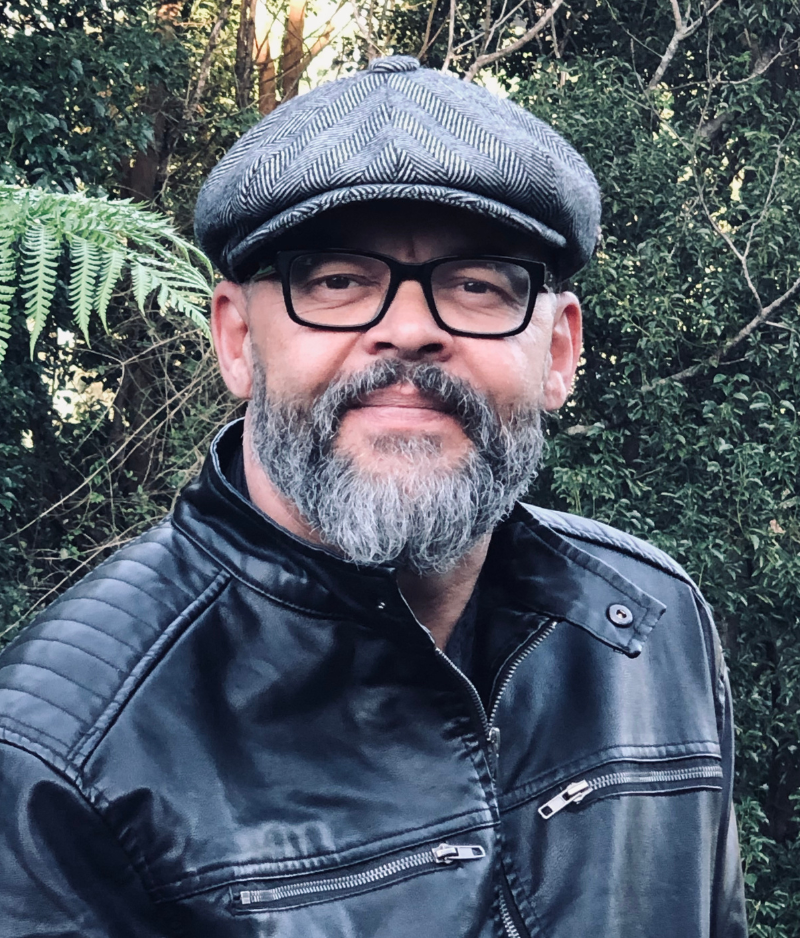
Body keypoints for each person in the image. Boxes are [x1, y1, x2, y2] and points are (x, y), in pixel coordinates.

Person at [0, 54, 746, 937]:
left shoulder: (647, 629)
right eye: (337, 281)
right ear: (237, 341)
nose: (409, 329)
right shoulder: (58, 757)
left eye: (477, 284)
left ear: (558, 352)